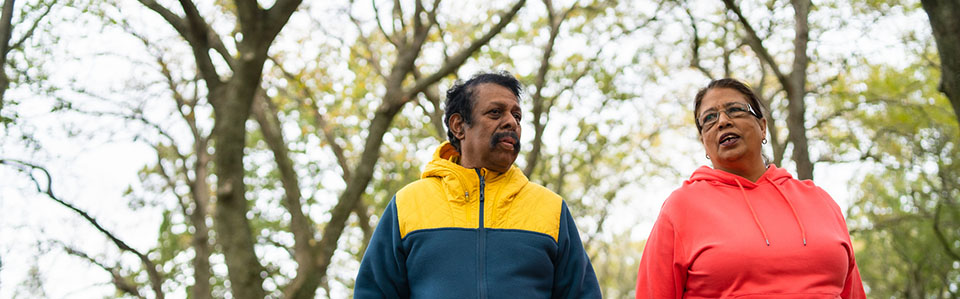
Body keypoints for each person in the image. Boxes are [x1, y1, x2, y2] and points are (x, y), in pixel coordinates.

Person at [355, 72, 602, 299]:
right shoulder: (408, 204)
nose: (511, 122)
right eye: (496, 112)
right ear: (458, 126)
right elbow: (373, 293)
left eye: (517, 116)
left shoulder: (552, 209)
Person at [635, 78, 866, 298]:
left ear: (763, 127)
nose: (722, 121)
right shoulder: (681, 208)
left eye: (735, 109)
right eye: (709, 119)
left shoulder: (820, 201)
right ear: (704, 143)